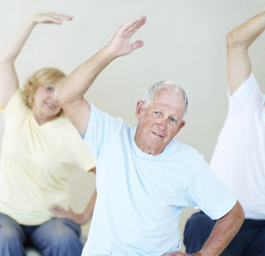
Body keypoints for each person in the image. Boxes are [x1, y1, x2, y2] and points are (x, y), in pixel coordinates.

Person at [56, 15, 244, 256]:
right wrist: (110, 52)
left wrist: (202, 255)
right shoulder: (110, 135)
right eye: (157, 112)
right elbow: (66, 96)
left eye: (172, 119)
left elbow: (233, 213)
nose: (162, 124)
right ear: (139, 110)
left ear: (180, 127)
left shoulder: (188, 162)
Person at [183, 1, 265, 255]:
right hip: (219, 220)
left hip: (264, 232)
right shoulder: (246, 101)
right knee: (199, 225)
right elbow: (235, 41)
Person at [0, 13, 97, 256]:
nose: (55, 97)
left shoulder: (71, 133)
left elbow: (108, 173)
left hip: (49, 219)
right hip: (7, 215)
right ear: (34, 89)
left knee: (65, 243)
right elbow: (4, 61)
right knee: (4, 242)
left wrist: (84, 215)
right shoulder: (15, 111)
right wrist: (31, 22)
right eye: (49, 88)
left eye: (61, 92)